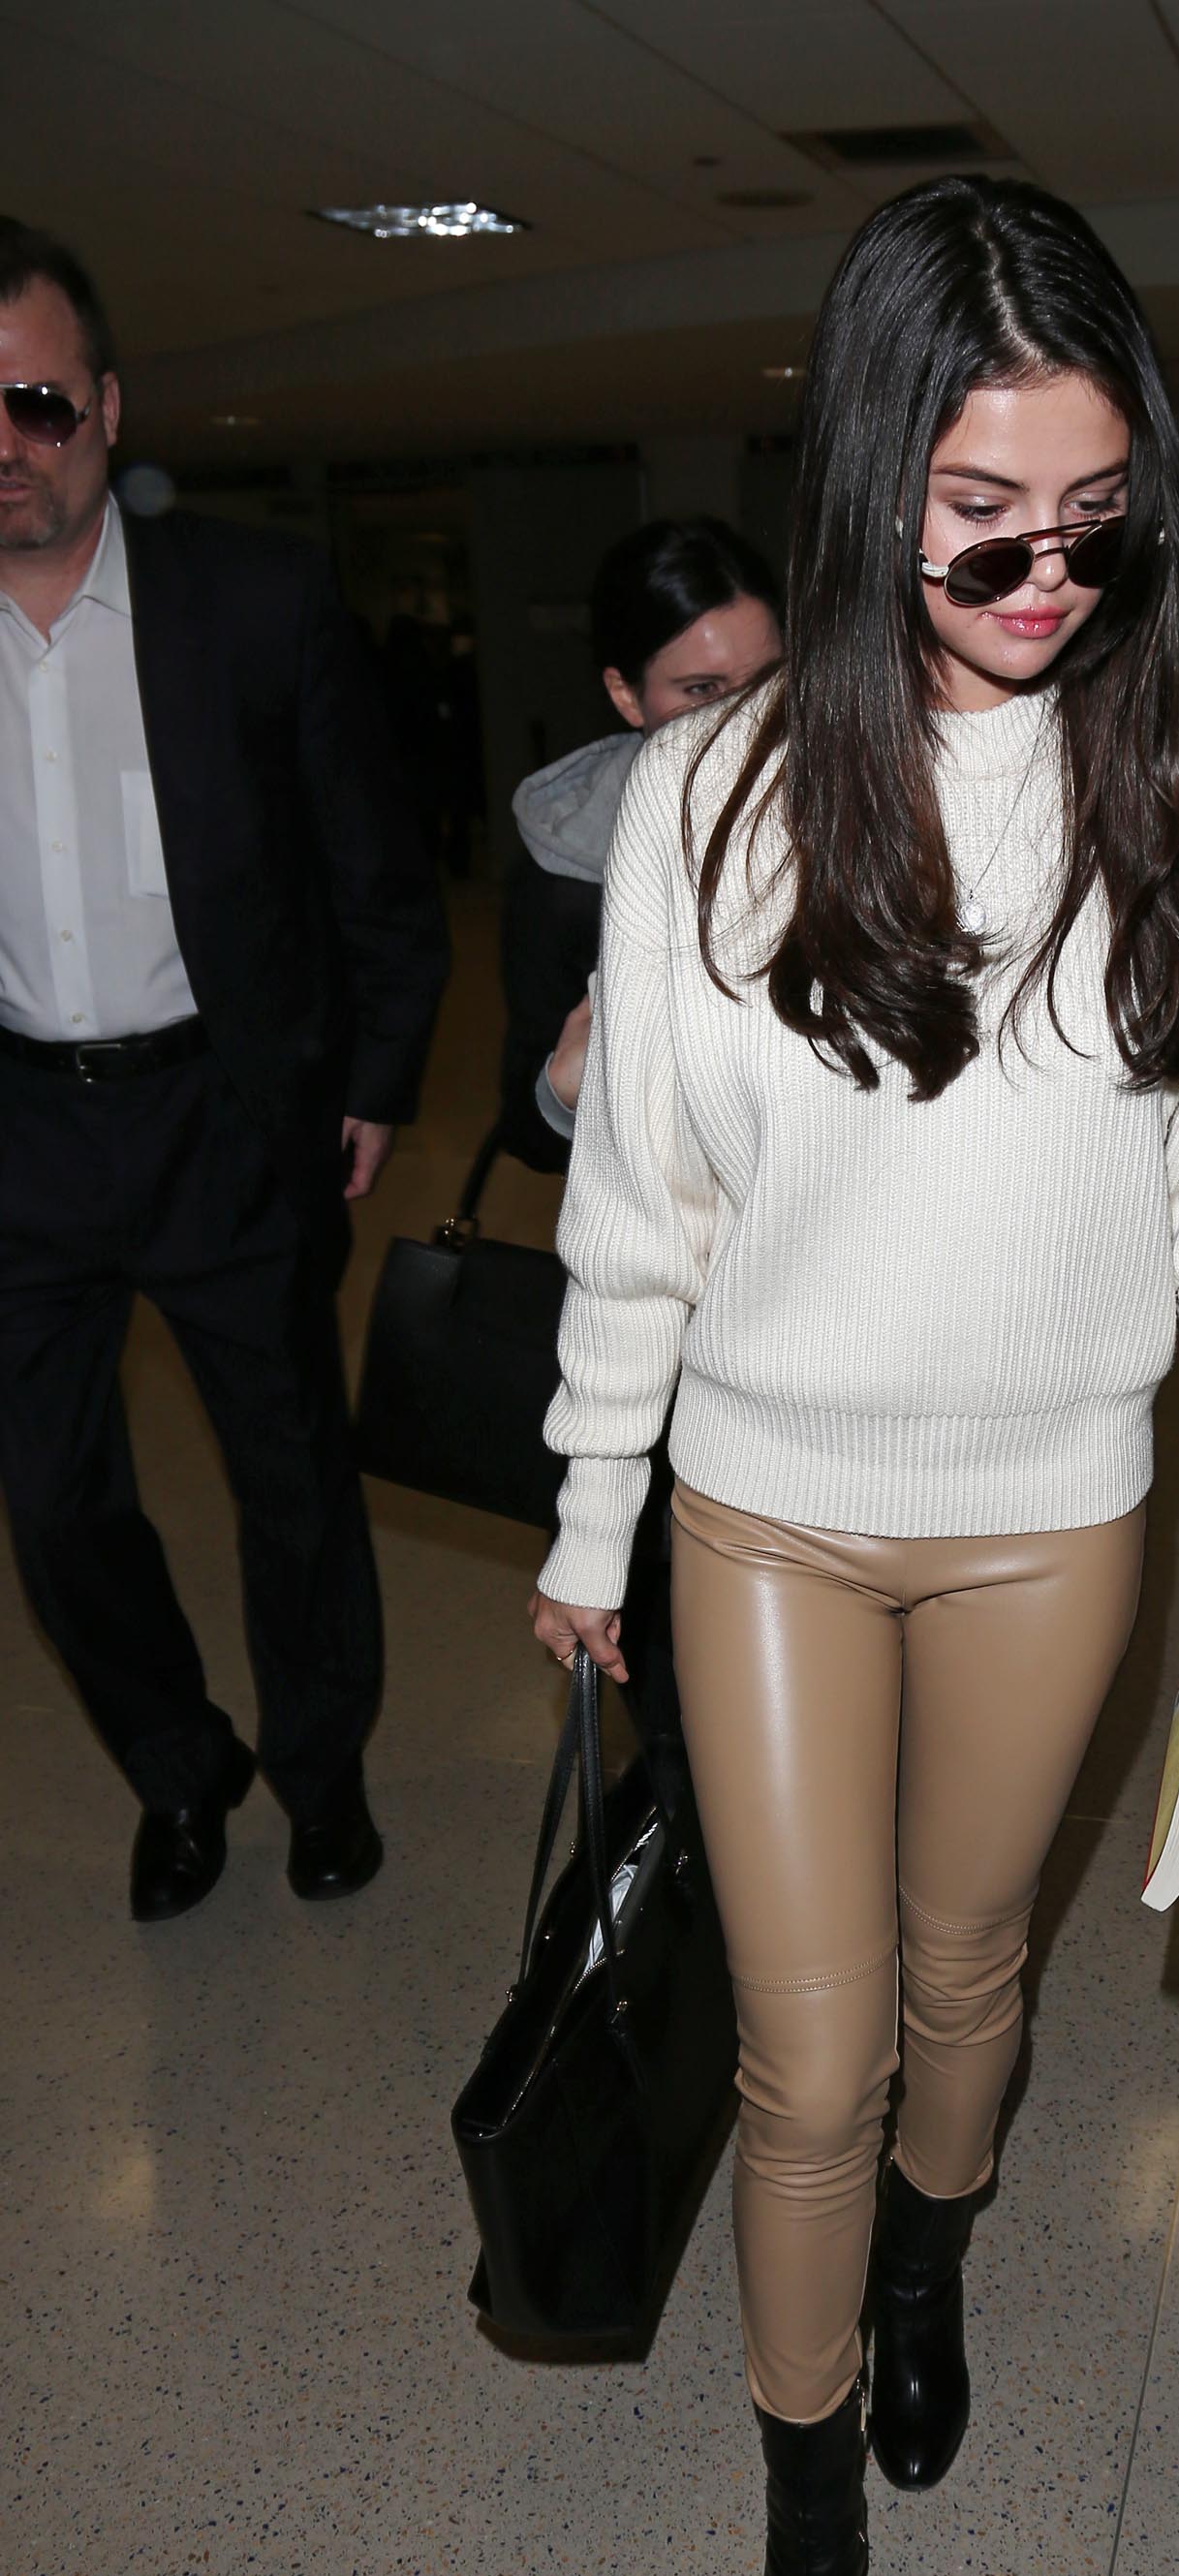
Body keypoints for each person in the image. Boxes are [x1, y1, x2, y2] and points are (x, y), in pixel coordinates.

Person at [529, 176, 1179, 2576]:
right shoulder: (713, 800)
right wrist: (585, 1509)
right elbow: (638, 1188)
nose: (1045, 570)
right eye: (990, 515)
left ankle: (931, 2268)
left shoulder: (1168, 761)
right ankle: (803, 2537)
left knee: (967, 1981)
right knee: (806, 2050)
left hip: (1053, 1512)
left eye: (1098, 517)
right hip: (761, 1504)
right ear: (876, 475)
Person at [0, 221, 448, 1921]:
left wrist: (381, 1072)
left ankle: (320, 1774)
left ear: (105, 404)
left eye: (34, 401)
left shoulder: (250, 601)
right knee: (54, 1506)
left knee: (290, 1480)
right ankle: (180, 1772)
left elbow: (375, 867)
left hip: (221, 1112)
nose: (4, 445)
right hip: (25, 1129)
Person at [496, 516, 782, 1171]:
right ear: (628, 697)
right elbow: (527, 1130)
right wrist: (567, 1090)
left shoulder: (859, 823)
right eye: (702, 690)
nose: (746, 719)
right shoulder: (569, 880)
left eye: (768, 679)